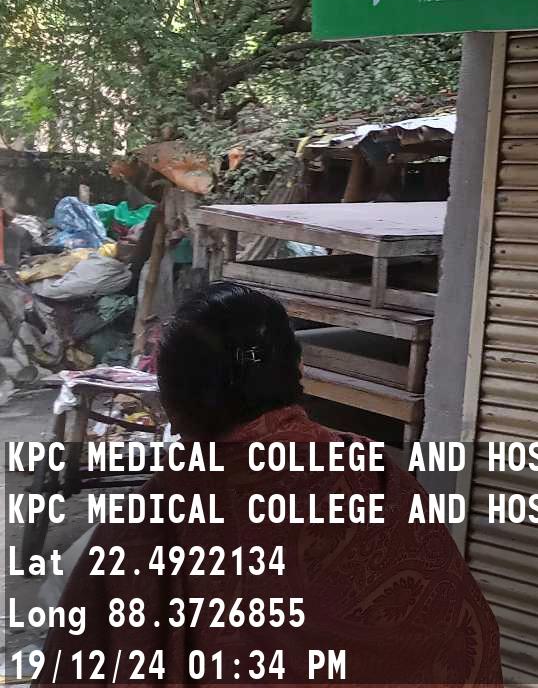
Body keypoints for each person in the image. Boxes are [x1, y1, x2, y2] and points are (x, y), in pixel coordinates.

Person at [35, 283, 500, 686]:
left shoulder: (150, 523)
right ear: (296, 373)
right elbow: (457, 629)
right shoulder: (373, 472)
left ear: (175, 398)